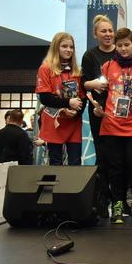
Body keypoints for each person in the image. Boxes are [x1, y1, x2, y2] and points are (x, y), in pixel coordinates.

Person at [99, 27, 132, 224]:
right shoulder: (107, 66)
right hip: (111, 124)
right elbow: (101, 92)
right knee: (115, 168)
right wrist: (98, 106)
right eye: (120, 45)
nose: (123, 49)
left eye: (127, 45)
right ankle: (118, 206)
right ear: (115, 46)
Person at [81, 15, 116, 217]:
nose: (108, 34)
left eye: (110, 30)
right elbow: (84, 83)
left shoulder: (122, 52)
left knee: (118, 157)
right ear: (95, 34)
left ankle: (120, 199)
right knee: (102, 156)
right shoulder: (90, 55)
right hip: (98, 112)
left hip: (120, 114)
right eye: (103, 31)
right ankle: (103, 200)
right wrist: (93, 84)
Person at [36, 32, 85, 166]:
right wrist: (68, 103)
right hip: (54, 122)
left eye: (71, 47)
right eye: (64, 46)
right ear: (56, 47)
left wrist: (76, 112)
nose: (69, 50)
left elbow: (83, 98)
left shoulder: (76, 71)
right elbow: (45, 98)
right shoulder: (45, 69)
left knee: (75, 162)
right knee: (55, 162)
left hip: (73, 123)